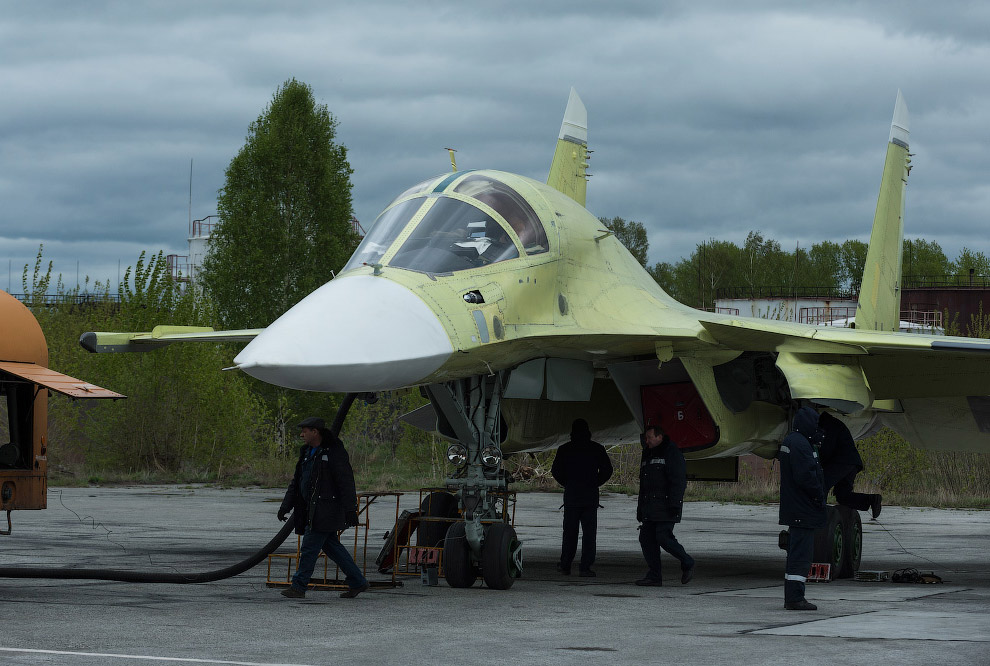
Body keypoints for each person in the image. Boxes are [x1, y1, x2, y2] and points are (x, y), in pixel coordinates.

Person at [277, 417, 368, 599]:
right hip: (311, 510)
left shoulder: (334, 452)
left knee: (309, 549)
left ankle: (298, 586)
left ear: (315, 432)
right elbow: (297, 482)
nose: (301, 435)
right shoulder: (306, 452)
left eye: (304, 431)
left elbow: (346, 482)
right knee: (333, 548)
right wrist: (285, 506)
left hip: (325, 511)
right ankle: (358, 581)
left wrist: (351, 509)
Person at [778, 406, 827, 611]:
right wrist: (818, 496)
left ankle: (793, 596)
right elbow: (806, 476)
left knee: (795, 555)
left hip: (796, 509)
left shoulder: (792, 441)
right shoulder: (800, 444)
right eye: (815, 424)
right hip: (803, 510)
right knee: (801, 556)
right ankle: (795, 598)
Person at [550, 418, 614, 577]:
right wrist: (595, 483)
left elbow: (556, 471)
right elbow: (607, 470)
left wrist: (568, 483)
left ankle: (565, 565)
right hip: (589, 497)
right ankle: (585, 567)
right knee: (589, 535)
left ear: (572, 432)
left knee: (569, 534)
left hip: (572, 497)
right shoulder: (596, 448)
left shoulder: (564, 449)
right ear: (588, 432)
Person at [635, 424, 695, 586]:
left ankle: (687, 562)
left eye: (649, 438)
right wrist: (640, 508)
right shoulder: (647, 454)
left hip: (666, 506)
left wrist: (675, 504)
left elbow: (678, 482)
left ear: (659, 437)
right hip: (650, 507)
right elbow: (644, 485)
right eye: (646, 438)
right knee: (646, 539)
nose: (647, 441)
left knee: (663, 537)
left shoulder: (672, 453)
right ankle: (654, 576)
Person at [817, 411, 882, 519]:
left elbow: (826, 449)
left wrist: (817, 464)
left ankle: (817, 513)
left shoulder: (827, 425)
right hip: (851, 463)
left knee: (821, 484)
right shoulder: (832, 423)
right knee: (843, 495)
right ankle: (871, 499)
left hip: (842, 462)